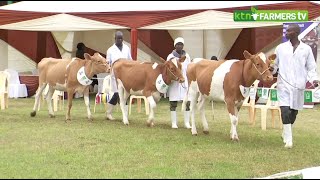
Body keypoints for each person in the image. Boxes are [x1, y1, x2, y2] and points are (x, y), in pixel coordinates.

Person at [271, 23, 319, 148]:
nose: (286, 33)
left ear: (296, 33)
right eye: (286, 31)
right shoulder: (280, 48)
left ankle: (286, 132)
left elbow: (311, 68)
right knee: (285, 110)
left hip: (298, 86)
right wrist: (272, 68)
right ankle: (289, 140)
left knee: (293, 113)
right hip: (283, 85)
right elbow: (275, 65)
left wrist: (314, 80)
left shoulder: (306, 49)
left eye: (289, 31)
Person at [105, 31, 132, 120]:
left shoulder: (127, 48)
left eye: (121, 38)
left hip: (126, 76)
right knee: (117, 94)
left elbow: (130, 60)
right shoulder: (110, 50)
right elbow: (108, 62)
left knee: (125, 95)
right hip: (115, 76)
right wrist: (109, 68)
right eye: (118, 38)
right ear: (115, 39)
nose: (120, 40)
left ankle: (125, 115)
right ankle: (108, 113)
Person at [167, 37, 191, 129]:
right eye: (178, 44)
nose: (179, 46)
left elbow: (189, 68)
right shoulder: (170, 57)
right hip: (174, 83)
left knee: (187, 102)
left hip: (184, 81)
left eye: (181, 44)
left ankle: (187, 123)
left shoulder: (187, 56)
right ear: (175, 46)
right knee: (173, 102)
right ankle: (174, 123)